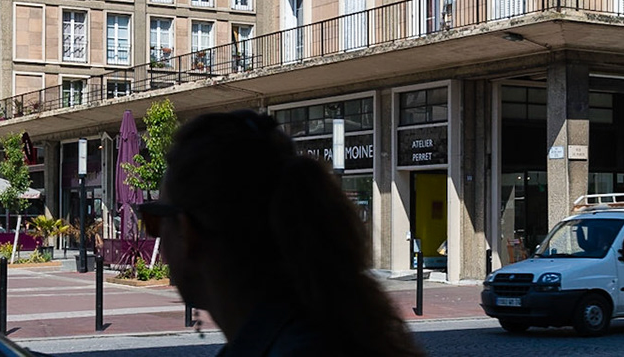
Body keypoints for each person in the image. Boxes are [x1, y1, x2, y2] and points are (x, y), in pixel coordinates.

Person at [142, 109, 423, 357]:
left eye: (155, 220)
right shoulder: (337, 331)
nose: (156, 236)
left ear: (187, 233)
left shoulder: (295, 347)